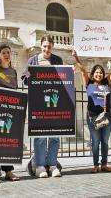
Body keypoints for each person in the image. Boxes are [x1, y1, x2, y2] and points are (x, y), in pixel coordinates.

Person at [73, 50, 111, 173]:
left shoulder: (107, 83)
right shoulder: (89, 83)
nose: (99, 74)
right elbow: (82, 70)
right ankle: (95, 165)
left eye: (101, 72)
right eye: (97, 72)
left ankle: (104, 164)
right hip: (92, 118)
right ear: (93, 74)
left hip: (106, 118)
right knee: (96, 142)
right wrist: (76, 58)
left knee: (105, 142)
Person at [22, 35, 63, 178]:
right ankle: (39, 166)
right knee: (39, 135)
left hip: (54, 102)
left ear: (52, 47)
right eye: (45, 46)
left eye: (49, 46)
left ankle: (52, 165)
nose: (47, 49)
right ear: (41, 46)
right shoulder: (32, 60)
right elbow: (24, 78)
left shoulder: (58, 60)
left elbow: (63, 79)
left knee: (54, 135)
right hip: (38, 102)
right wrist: (29, 77)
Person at [0, 42, 20, 184]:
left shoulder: (13, 72)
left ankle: (8, 170)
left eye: (8, 52)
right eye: (4, 53)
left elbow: (16, 92)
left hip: (9, 111)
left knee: (7, 141)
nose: (7, 55)